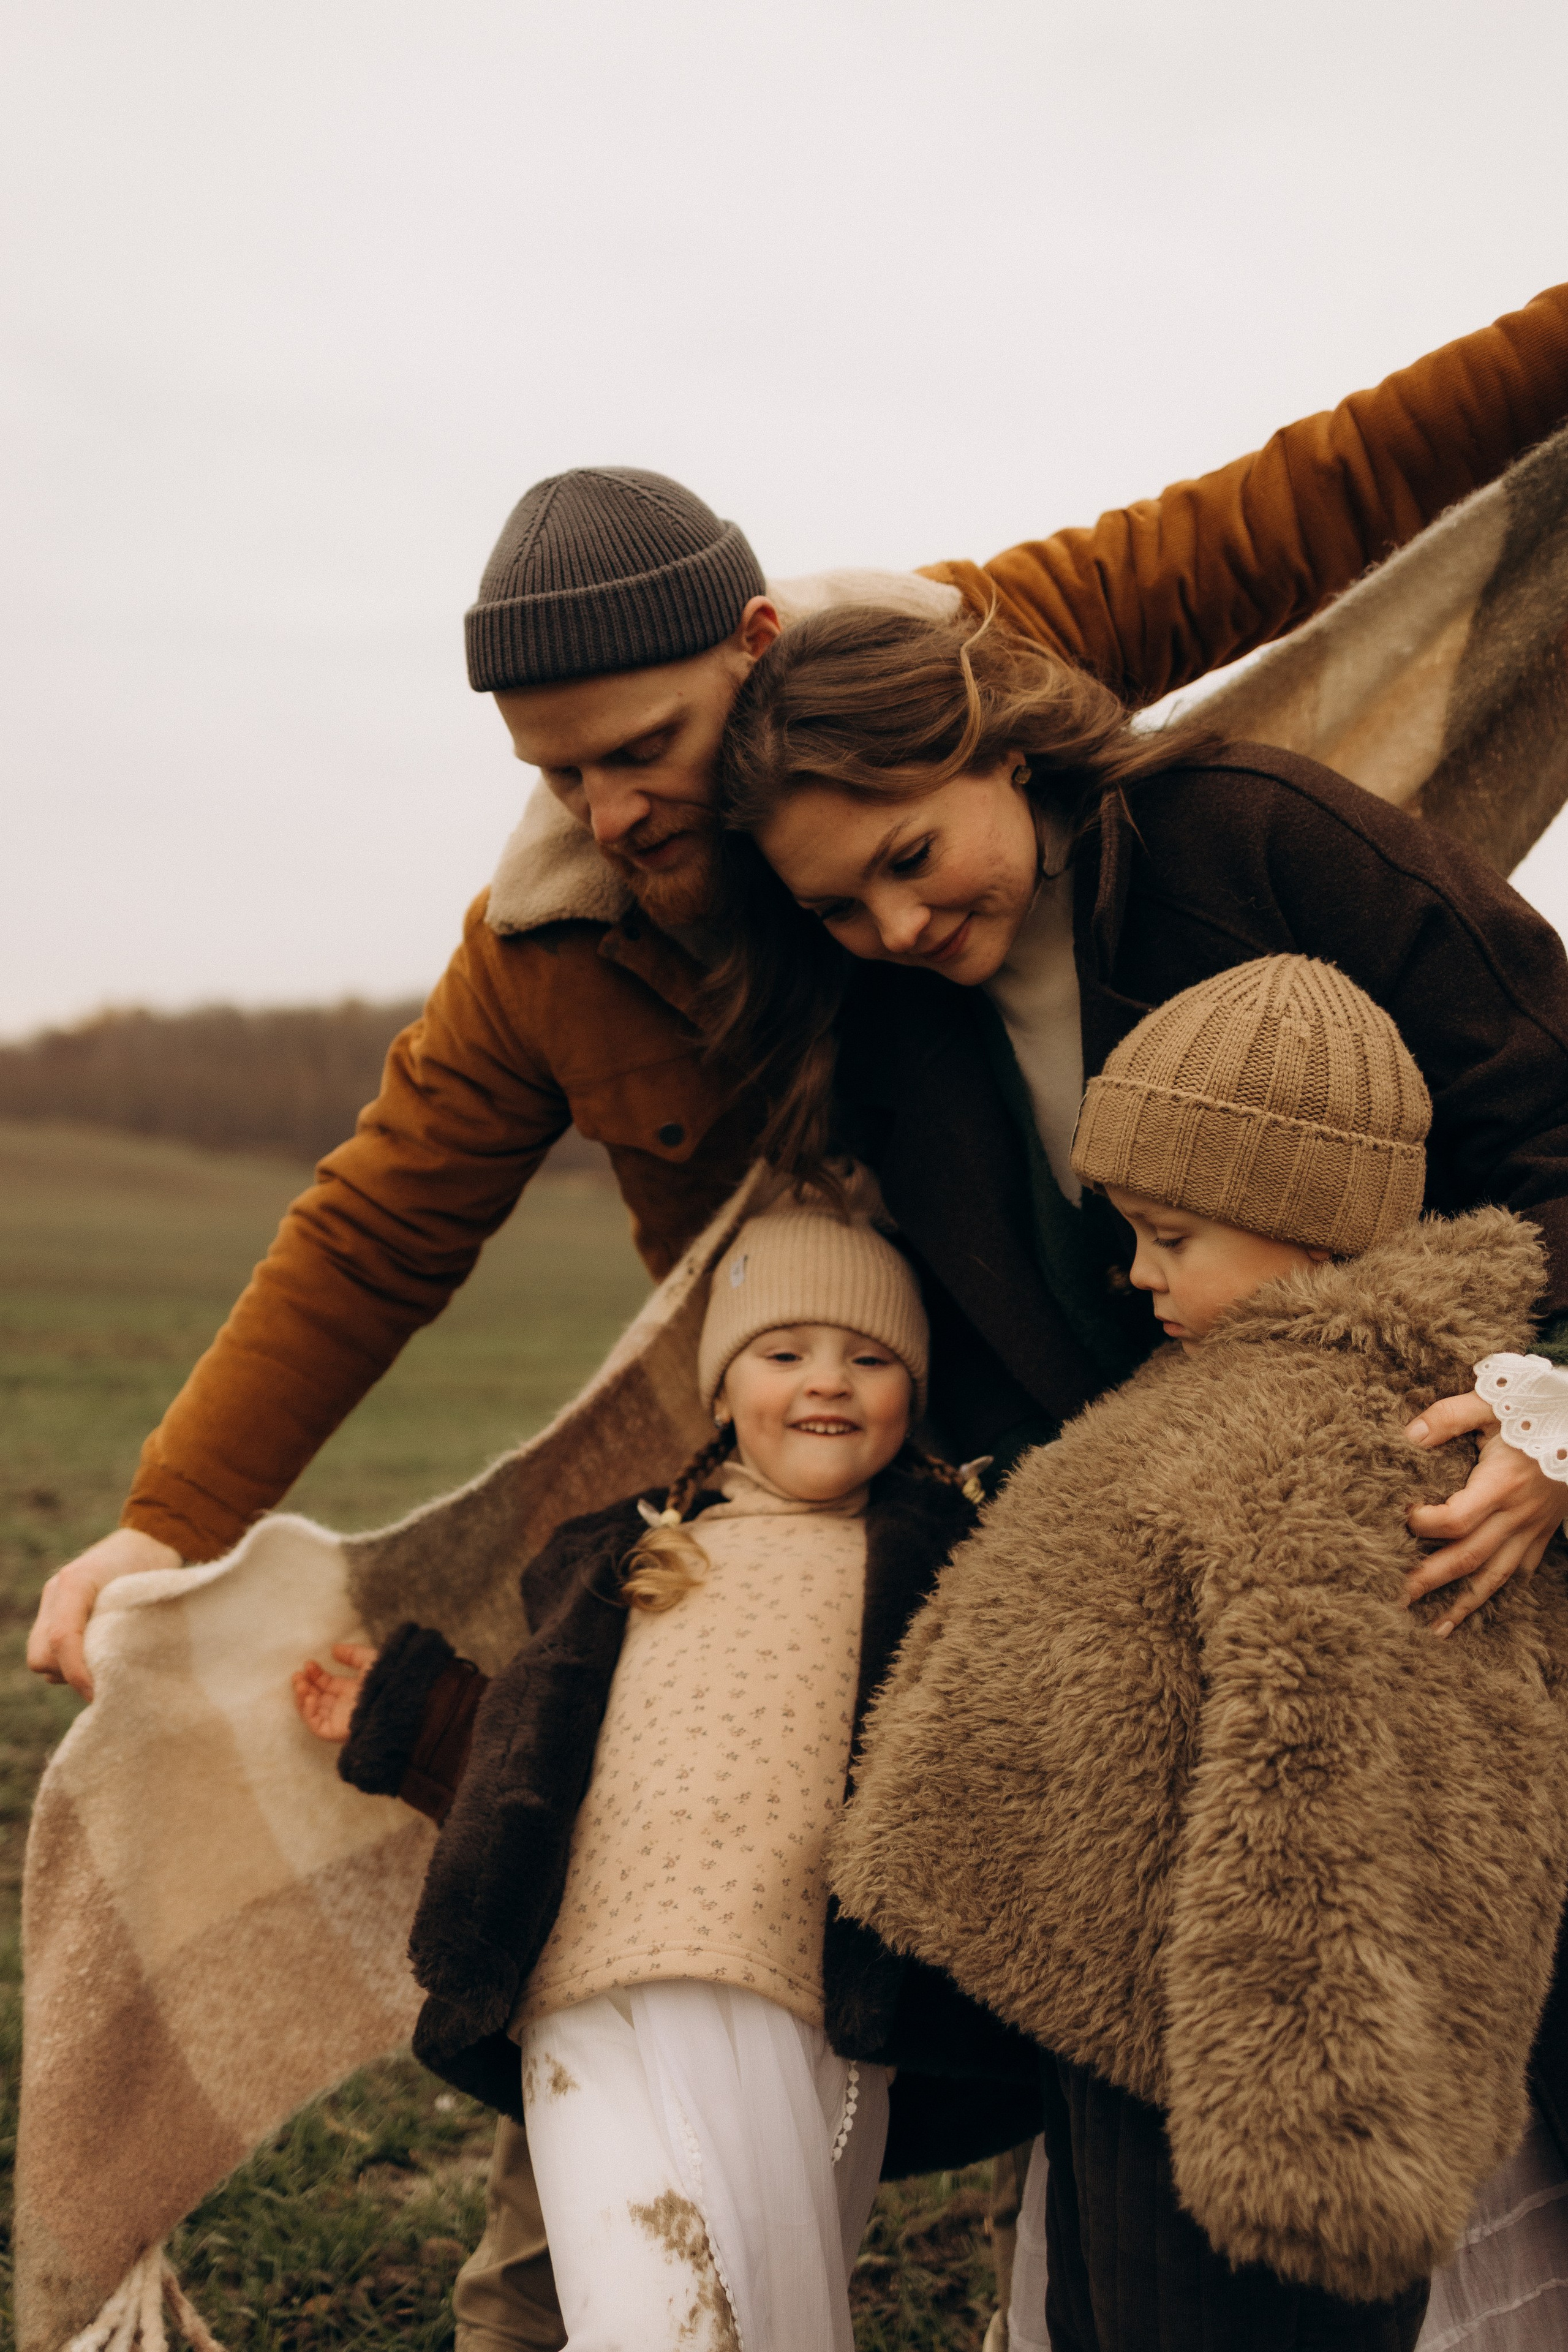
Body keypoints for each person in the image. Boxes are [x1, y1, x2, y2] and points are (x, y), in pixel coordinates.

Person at [26, 282, 1568, 2350]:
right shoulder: (568, 940)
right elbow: (387, 1215)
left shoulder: (973, 684)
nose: (612, 809)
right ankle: (594, 2280)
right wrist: (175, 1506)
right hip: (861, 1420)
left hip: (1223, 1385)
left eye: (643, 751)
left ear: (763, 659)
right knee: (652, 1868)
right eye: (555, 773)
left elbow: (1321, 496)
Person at [827, 956, 1568, 2351]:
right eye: (1128, 1228)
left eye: (1169, 1233)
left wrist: (1310, 2129)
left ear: (1301, 1220)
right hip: (1126, 2005)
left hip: (1232, 2081)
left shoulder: (1335, 1452)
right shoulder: (1221, 1392)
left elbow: (1328, 1792)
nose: (1135, 1270)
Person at [712, 599, 1568, 1636]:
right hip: (1147, 1593)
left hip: (1456, 1529)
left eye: (911, 856)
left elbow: (1547, 1103)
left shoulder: (1259, 837)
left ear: (1004, 752)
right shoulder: (874, 1024)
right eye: (836, 908)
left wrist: (1552, 1417)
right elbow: (973, 1324)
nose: (895, 926)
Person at [292, 1183, 1026, 2352]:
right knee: (646, 2310)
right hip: (596, 1984)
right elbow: (537, 1757)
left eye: (870, 1357)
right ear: (722, 1391)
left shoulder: (947, 1566)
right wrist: (412, 1717)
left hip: (806, 1998)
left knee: (776, 2304)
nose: (827, 1379)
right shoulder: (625, 1558)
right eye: (784, 1350)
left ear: (916, 1394)